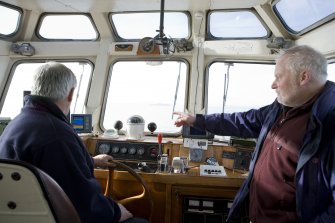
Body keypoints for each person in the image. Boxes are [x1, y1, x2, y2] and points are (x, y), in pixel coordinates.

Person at [174, 45, 335, 223]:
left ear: (303, 77)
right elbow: (241, 121)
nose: (273, 84)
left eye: (278, 77)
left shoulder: (329, 123)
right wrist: (196, 120)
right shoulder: (280, 109)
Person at [0, 62, 148, 223]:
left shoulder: (16, 123)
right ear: (70, 94)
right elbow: (82, 202)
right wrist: (115, 212)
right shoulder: (57, 135)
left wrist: (91, 161)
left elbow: (48, 166)